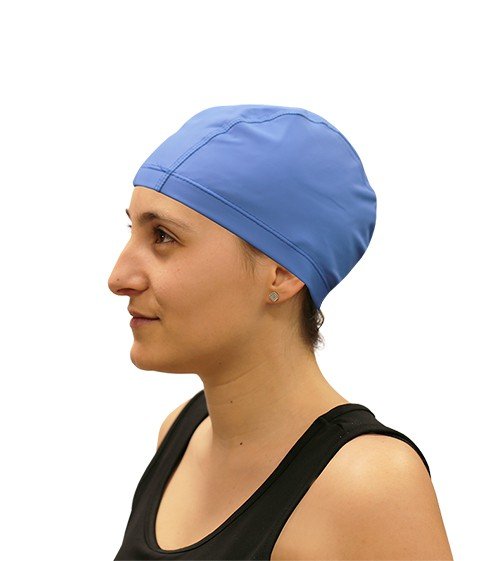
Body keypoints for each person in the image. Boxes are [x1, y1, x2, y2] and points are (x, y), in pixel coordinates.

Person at [108, 104, 453, 560]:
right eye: (132, 229)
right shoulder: (181, 433)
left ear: (283, 273)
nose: (118, 278)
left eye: (163, 237)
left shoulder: (369, 485)